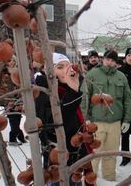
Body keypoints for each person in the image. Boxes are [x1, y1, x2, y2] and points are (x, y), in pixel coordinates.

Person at [35, 53, 92, 186]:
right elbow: (55, 123)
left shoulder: (68, 88)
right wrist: (73, 92)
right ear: (46, 70)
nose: (67, 70)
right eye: (60, 67)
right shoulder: (42, 92)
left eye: (68, 66)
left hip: (74, 154)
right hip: (57, 161)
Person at [86, 50, 131, 181]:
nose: (109, 62)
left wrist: (126, 120)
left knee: (111, 153)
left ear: (116, 62)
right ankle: (90, 181)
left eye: (112, 60)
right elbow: (85, 97)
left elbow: (127, 99)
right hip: (97, 122)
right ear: (103, 59)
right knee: (94, 154)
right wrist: (86, 118)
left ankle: (109, 178)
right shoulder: (93, 74)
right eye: (107, 59)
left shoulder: (121, 77)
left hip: (115, 123)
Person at [0, 58, 26, 145]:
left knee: (18, 117)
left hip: (18, 98)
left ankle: (20, 136)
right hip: (8, 99)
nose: (12, 62)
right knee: (13, 118)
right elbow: (2, 87)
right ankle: (12, 139)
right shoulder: (2, 73)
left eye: (13, 60)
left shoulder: (18, 71)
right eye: (9, 61)